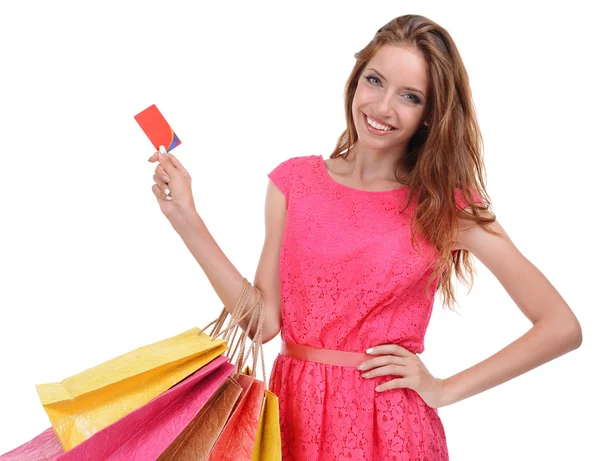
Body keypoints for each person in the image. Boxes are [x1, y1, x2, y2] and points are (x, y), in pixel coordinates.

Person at [147, 14, 582, 461]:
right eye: (375, 80)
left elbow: (560, 327)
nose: (382, 107)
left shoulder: (444, 205)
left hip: (389, 428)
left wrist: (444, 389)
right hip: (291, 418)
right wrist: (188, 221)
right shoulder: (294, 181)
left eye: (409, 96)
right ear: (356, 81)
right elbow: (263, 324)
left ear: (431, 115)